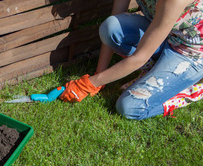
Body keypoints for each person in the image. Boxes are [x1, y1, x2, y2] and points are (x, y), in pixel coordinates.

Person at [59, 0, 203, 119]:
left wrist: (87, 84)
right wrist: (98, 77)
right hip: (162, 35)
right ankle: (155, 70)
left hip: (189, 54)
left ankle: (188, 90)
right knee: (111, 27)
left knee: (129, 107)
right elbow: (115, 19)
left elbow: (139, 57)